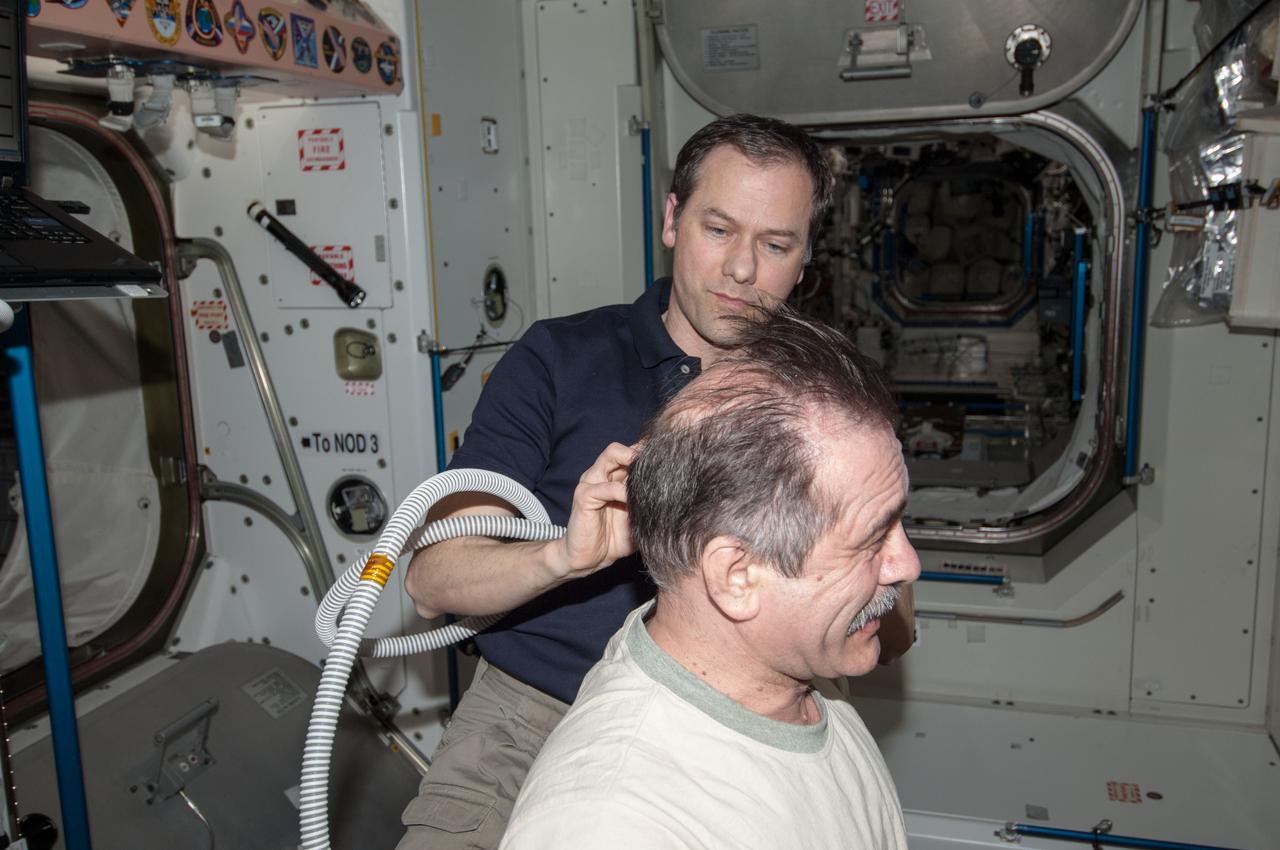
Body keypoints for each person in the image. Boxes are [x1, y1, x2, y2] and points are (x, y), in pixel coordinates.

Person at [396, 113, 909, 848]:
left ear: (805, 261)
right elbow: (432, 580)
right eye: (718, 229)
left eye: (775, 244)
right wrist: (562, 557)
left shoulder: (824, 401)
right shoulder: (559, 360)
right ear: (672, 219)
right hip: (531, 718)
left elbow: (893, 614)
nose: (741, 269)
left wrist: (850, 599)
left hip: (743, 725)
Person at [499, 307, 919, 849]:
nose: (907, 565)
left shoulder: (796, 672)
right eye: (871, 538)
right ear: (737, 577)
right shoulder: (611, 823)